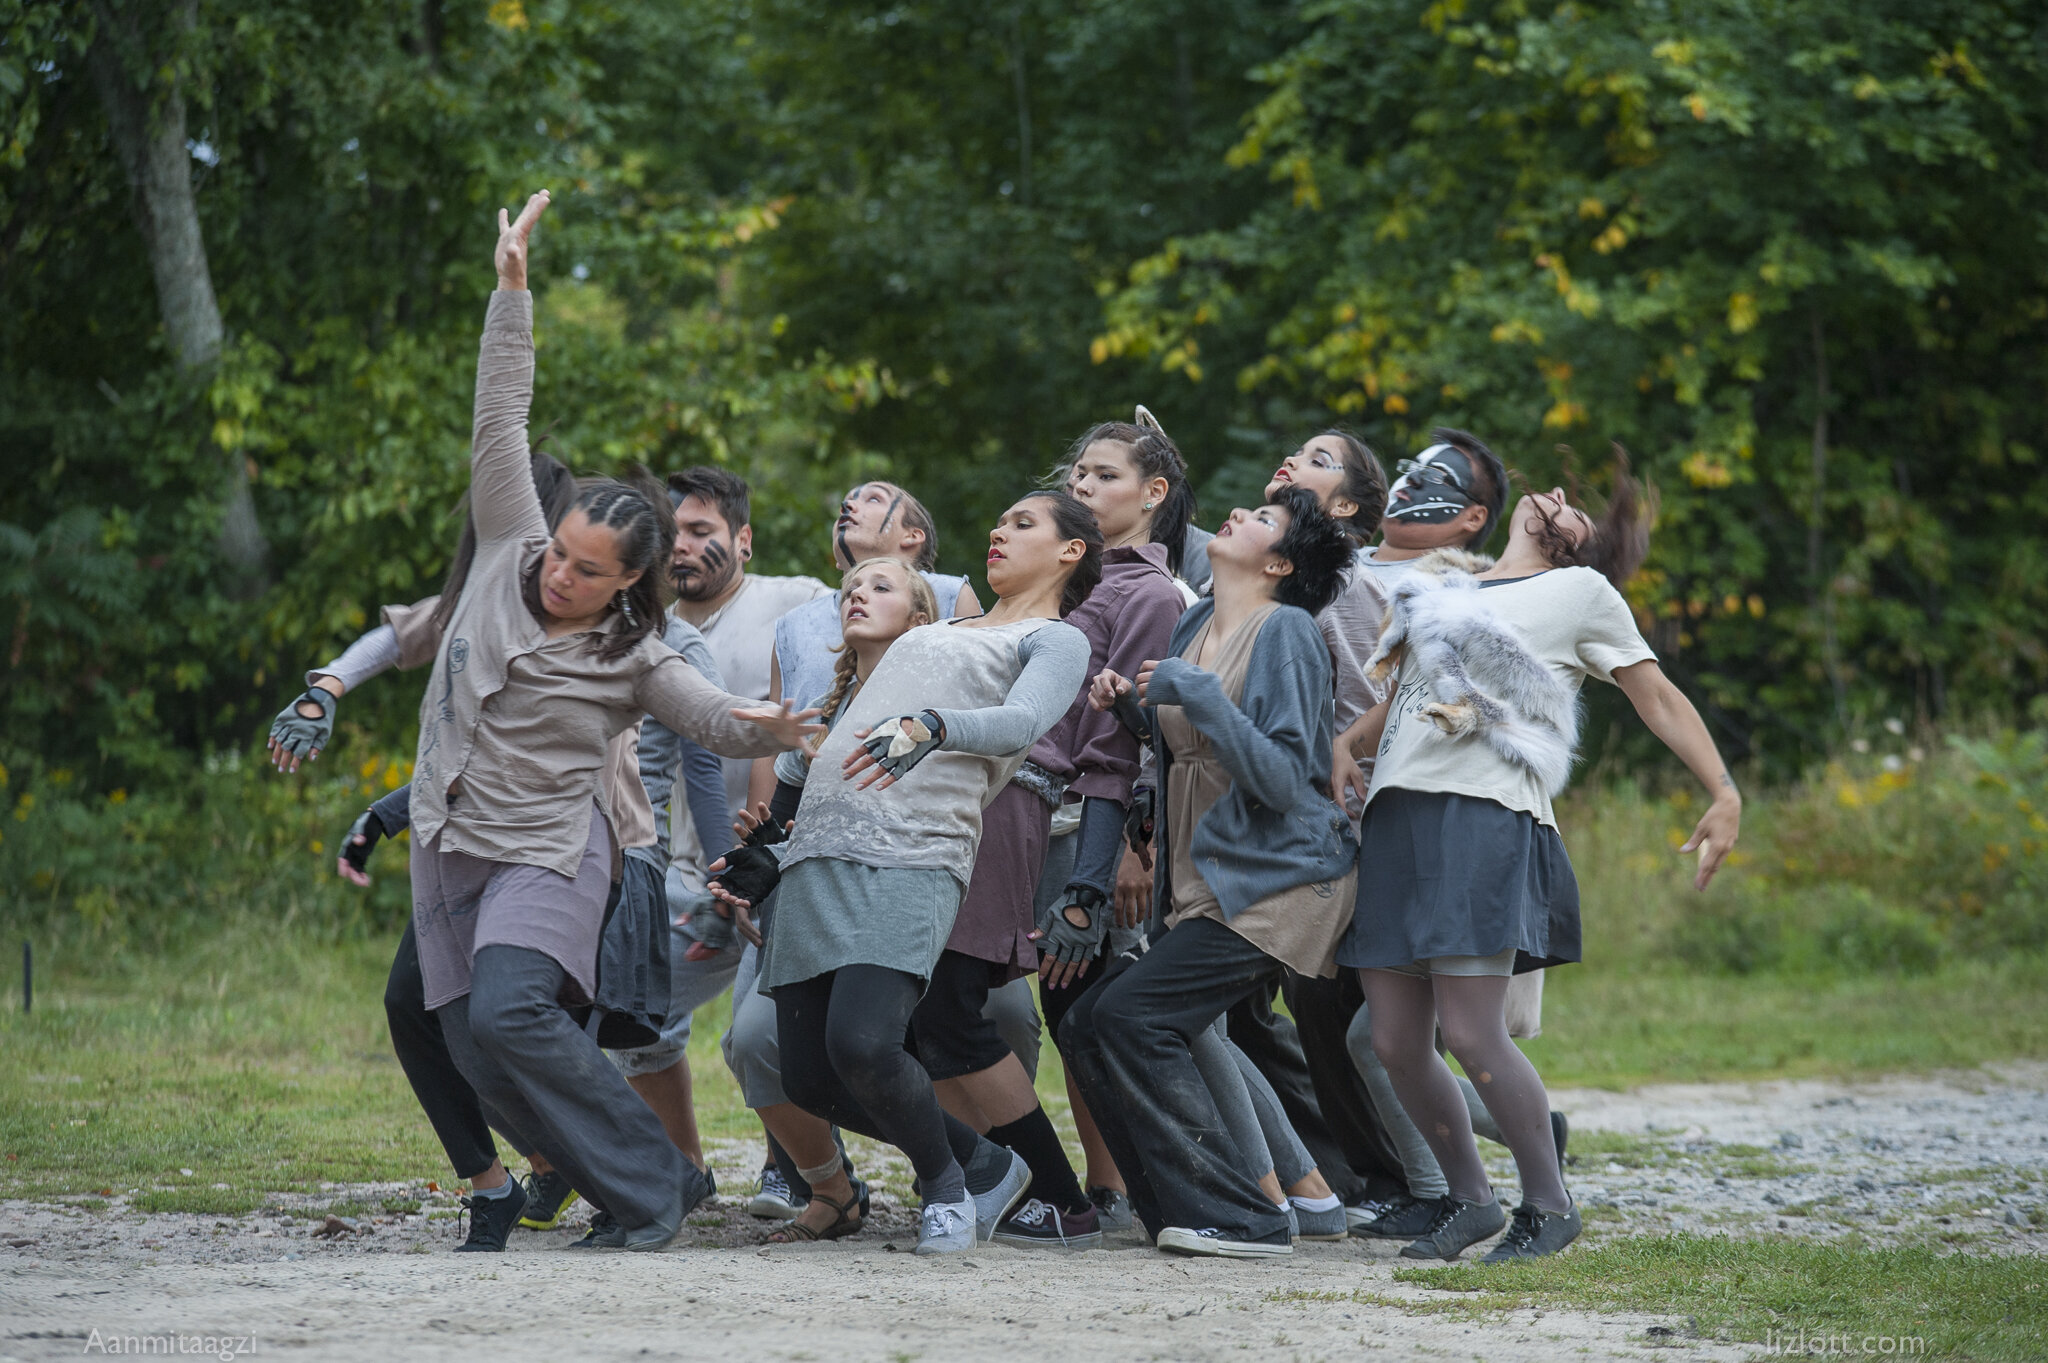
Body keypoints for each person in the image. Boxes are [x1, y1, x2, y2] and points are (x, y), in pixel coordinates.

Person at [411, 190, 819, 1253]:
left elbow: (716, 725)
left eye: (587, 573)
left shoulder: (636, 656)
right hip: (447, 844)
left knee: (509, 1011)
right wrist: (512, 292)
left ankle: (654, 1186)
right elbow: (500, 415)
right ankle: (639, 1185)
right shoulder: (507, 546)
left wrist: (776, 727)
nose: (559, 576)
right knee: (471, 1045)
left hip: (548, 852)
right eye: (558, 555)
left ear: (628, 580)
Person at [1338, 456, 1740, 1262]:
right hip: (1397, 816)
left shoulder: (1580, 595)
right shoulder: (1448, 585)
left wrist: (1723, 790)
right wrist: (1348, 745)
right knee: (1391, 1039)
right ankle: (1471, 1200)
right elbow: (1406, 696)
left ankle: (1549, 1205)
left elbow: (1655, 695)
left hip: (1485, 816)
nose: (1557, 498)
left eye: (1576, 509)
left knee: (1473, 1031)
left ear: (1578, 547)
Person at [707, 490, 1099, 1255]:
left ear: (1069, 551)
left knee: (865, 1041)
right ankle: (984, 1164)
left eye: (1022, 522)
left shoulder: (1054, 638)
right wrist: (776, 852)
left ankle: (948, 1188)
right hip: (819, 858)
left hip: (914, 852)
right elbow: (843, 744)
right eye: (1000, 516)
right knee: (811, 1077)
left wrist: (936, 726)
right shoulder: (941, 628)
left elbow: (1022, 724)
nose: (998, 528)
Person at [894, 417, 1195, 1250]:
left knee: (973, 1010)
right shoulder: (998, 614)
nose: (1081, 488)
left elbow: (1116, 743)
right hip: (955, 803)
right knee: (928, 1015)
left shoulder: (1134, 599)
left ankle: (1067, 1194)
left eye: (1101, 475)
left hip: (1029, 808)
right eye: (1078, 475)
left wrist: (1100, 874)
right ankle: (988, 1181)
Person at [1060, 487, 1357, 1259]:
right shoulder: (1196, 624)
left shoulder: (1285, 630)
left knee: (1133, 1016)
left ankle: (1247, 1216)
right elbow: (1192, 745)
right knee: (1089, 1022)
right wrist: (1133, 710)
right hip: (1207, 882)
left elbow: (1287, 777)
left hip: (1280, 882)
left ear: (1281, 561)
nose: (1238, 514)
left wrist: (1189, 690)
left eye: (1263, 520)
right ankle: (1174, 1206)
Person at [725, 557, 942, 1242]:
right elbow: (788, 829)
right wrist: (756, 859)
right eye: (851, 588)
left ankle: (972, 1171)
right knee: (764, 1044)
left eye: (880, 587)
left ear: (919, 615)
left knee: (899, 1036)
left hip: (907, 896)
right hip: (817, 907)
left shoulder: (944, 688)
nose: (858, 595)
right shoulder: (825, 712)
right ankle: (839, 1186)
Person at [660, 463, 836, 1215]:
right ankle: (679, 1169)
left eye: (701, 532)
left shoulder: (795, 601)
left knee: (767, 1026)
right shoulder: (641, 623)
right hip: (680, 868)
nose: (683, 548)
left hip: (781, 863)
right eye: (670, 534)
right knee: (629, 1006)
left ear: (744, 539)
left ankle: (792, 1169)